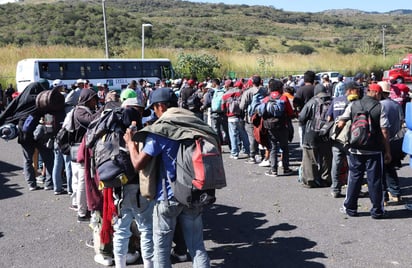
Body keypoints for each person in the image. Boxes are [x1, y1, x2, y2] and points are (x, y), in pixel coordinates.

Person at [124, 88, 211, 268]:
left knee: (161, 249)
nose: (155, 113)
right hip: (195, 193)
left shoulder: (161, 130)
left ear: (161, 106)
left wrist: (130, 144)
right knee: (197, 246)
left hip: (168, 196)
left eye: (155, 108)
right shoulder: (195, 123)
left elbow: (138, 164)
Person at [338, 83, 391, 219]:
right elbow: (384, 130)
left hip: (356, 148)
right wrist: (387, 151)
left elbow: (341, 122)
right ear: (376, 93)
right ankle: (377, 210)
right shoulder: (380, 107)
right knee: (375, 180)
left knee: (354, 178)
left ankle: (350, 208)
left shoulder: (354, 105)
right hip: (374, 150)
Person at [71, 88, 103, 222]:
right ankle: (82, 212)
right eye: (94, 99)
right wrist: (104, 108)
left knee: (80, 181)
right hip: (79, 149)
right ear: (88, 99)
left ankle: (82, 207)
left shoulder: (83, 110)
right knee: (82, 182)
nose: (95, 102)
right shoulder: (79, 111)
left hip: (82, 149)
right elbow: (91, 121)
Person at [327, 81, 360, 197]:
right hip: (350, 138)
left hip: (336, 136)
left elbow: (328, 117)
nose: (359, 92)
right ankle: (353, 189)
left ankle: (335, 189)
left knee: (336, 163)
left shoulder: (335, 100)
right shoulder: (353, 102)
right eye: (357, 90)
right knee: (353, 165)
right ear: (350, 90)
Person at [298, 84, 332, 188]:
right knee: (326, 156)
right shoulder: (331, 101)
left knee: (310, 156)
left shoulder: (312, 101)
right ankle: (326, 178)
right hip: (327, 132)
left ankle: (310, 180)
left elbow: (302, 117)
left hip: (312, 132)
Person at [261, 79, 294, 177]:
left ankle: (273, 170)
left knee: (273, 147)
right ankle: (286, 168)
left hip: (270, 127)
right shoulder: (283, 98)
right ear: (280, 88)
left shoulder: (266, 99)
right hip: (283, 126)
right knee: (285, 148)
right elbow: (290, 112)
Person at [378, 81, 404, 204]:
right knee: (391, 168)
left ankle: (384, 198)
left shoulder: (379, 105)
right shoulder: (396, 105)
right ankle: (396, 193)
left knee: (381, 169)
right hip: (396, 140)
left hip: (384, 141)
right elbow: (401, 121)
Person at [240, 75, 267, 164]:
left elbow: (242, 106)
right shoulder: (265, 91)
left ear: (252, 82)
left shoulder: (248, 92)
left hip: (251, 117)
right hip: (263, 116)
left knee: (252, 136)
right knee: (262, 134)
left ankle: (252, 156)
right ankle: (263, 155)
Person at [51, 79, 72, 195]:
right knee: (68, 163)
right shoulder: (65, 100)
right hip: (65, 137)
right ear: (61, 87)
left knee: (57, 163)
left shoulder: (50, 103)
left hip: (55, 136)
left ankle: (57, 188)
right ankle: (70, 188)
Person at [221, 80, 250, 159]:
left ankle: (234, 153)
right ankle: (247, 151)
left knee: (233, 135)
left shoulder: (225, 95)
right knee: (244, 134)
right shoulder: (241, 92)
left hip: (231, 117)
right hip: (240, 116)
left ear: (226, 86)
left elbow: (222, 108)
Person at [293, 70, 316, 147]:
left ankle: (304, 150)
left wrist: (296, 111)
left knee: (302, 134)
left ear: (304, 79)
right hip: (316, 116)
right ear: (313, 79)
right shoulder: (316, 89)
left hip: (303, 115)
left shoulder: (301, 90)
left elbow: (295, 103)